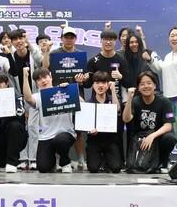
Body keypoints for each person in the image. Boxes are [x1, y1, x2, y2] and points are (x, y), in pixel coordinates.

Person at [42, 25, 88, 170]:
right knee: (56, 130)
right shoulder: (55, 53)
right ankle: (58, 160)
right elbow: (45, 69)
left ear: (75, 39)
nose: (69, 39)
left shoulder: (80, 55)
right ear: (61, 38)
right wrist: (46, 52)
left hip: (76, 94)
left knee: (78, 129)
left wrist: (83, 79)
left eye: (71, 37)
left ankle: (81, 159)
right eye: (66, 37)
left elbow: (86, 76)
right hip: (58, 95)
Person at [84, 29, 133, 164]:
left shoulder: (121, 60)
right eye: (105, 39)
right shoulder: (93, 61)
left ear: (115, 41)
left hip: (115, 103)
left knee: (117, 133)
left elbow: (128, 83)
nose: (108, 42)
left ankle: (119, 161)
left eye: (111, 39)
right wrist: (82, 80)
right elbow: (87, 85)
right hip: (97, 104)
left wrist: (121, 77)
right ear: (101, 41)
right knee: (95, 132)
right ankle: (97, 160)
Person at [22, 67, 76, 173]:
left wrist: (70, 91)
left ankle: (65, 162)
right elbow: (28, 98)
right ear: (36, 83)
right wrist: (25, 76)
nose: (43, 81)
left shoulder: (63, 90)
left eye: (45, 77)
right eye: (39, 79)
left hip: (65, 134)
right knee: (43, 168)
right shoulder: (38, 97)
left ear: (51, 77)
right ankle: (53, 161)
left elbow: (81, 102)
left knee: (60, 140)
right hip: (46, 136)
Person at [122, 71, 177, 173]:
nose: (146, 86)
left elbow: (168, 125)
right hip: (140, 139)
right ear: (138, 88)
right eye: (142, 84)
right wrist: (129, 99)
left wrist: (152, 136)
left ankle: (163, 163)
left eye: (149, 83)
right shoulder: (135, 101)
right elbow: (126, 119)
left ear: (155, 85)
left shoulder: (164, 102)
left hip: (157, 137)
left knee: (170, 138)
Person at [7, 29, 43, 169]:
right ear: (12, 42)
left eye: (21, 38)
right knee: (20, 128)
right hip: (18, 98)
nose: (19, 41)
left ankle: (33, 158)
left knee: (33, 128)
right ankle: (22, 158)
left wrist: (30, 44)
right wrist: (19, 99)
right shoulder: (10, 57)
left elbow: (42, 62)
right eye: (15, 39)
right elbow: (10, 79)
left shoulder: (33, 54)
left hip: (35, 97)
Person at [83, 71, 123, 173]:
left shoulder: (112, 99)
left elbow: (117, 109)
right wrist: (90, 131)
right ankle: (99, 159)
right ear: (93, 85)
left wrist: (113, 90)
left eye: (103, 83)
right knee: (93, 168)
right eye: (97, 83)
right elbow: (86, 125)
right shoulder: (89, 103)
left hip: (110, 140)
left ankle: (106, 160)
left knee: (116, 168)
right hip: (94, 140)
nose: (100, 85)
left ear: (107, 84)